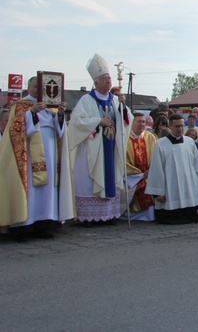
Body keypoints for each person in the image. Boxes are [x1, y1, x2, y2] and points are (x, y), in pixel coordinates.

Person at [0, 76, 74, 239]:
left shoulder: (52, 107)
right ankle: (24, 226)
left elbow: (60, 131)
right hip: (28, 154)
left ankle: (44, 224)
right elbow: (15, 130)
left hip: (49, 152)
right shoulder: (20, 105)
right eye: (35, 87)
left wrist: (60, 115)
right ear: (28, 88)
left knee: (48, 190)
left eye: (41, 88)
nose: (38, 90)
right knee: (31, 190)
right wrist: (32, 112)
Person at [68, 54, 132, 226]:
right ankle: (88, 217)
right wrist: (98, 122)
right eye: (105, 79)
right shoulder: (86, 100)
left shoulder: (114, 100)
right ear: (96, 82)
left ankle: (108, 214)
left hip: (110, 147)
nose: (109, 82)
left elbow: (126, 121)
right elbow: (76, 122)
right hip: (92, 149)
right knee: (90, 179)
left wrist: (123, 106)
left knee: (110, 175)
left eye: (110, 79)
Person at [145, 114, 198, 224]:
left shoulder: (190, 142)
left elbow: (196, 165)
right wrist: (159, 193)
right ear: (170, 127)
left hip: (187, 182)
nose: (180, 129)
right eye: (177, 126)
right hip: (170, 184)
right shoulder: (160, 144)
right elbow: (157, 169)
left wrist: (197, 182)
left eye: (182, 126)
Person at [122, 112, 158, 221]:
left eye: (144, 122)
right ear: (131, 123)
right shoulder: (124, 138)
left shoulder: (150, 136)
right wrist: (141, 175)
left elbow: (157, 155)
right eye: (138, 121)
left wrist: (151, 171)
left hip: (150, 174)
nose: (142, 124)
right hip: (131, 178)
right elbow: (122, 163)